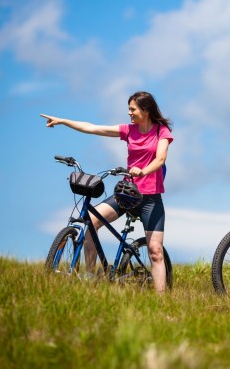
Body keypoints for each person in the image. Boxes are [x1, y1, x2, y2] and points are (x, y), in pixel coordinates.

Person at [41, 91, 173, 293]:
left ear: (145, 111)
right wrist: (62, 121)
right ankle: (91, 278)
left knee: (155, 251)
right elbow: (93, 128)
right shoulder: (129, 131)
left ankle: (162, 302)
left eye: (132, 109)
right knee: (91, 224)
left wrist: (143, 171)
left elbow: (160, 159)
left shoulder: (160, 132)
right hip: (126, 194)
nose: (129, 113)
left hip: (151, 198)